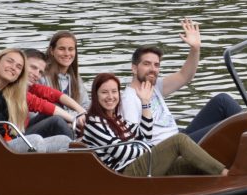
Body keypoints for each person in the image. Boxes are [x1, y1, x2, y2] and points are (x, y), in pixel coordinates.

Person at [121, 18, 241, 144]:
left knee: (222, 101)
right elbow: (134, 140)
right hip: (171, 149)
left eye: (156, 65)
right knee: (226, 126)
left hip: (180, 136)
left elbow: (185, 76)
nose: (153, 69)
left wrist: (195, 49)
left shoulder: (155, 87)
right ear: (134, 68)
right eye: (147, 64)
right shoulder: (129, 98)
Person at [83, 73, 228, 177]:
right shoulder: (94, 122)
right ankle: (226, 176)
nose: (110, 97)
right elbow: (122, 152)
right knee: (179, 140)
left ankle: (224, 184)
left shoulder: (117, 118)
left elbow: (145, 135)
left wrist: (145, 103)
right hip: (125, 173)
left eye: (114, 92)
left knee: (196, 162)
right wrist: (153, 149)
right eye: (104, 92)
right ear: (96, 96)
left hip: (142, 164)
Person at [24, 48, 83, 140]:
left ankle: (82, 138)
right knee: (56, 121)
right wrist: (74, 120)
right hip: (14, 138)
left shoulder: (30, 87)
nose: (36, 74)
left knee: (56, 105)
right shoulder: (14, 90)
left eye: (40, 72)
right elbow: (43, 105)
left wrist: (82, 111)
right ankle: (75, 148)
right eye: (33, 67)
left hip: (23, 129)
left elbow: (56, 95)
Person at [40, 30, 88, 111]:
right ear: (52, 51)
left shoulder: (76, 78)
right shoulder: (41, 76)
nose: (67, 53)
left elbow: (85, 104)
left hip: (74, 121)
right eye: (61, 49)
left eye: (71, 49)